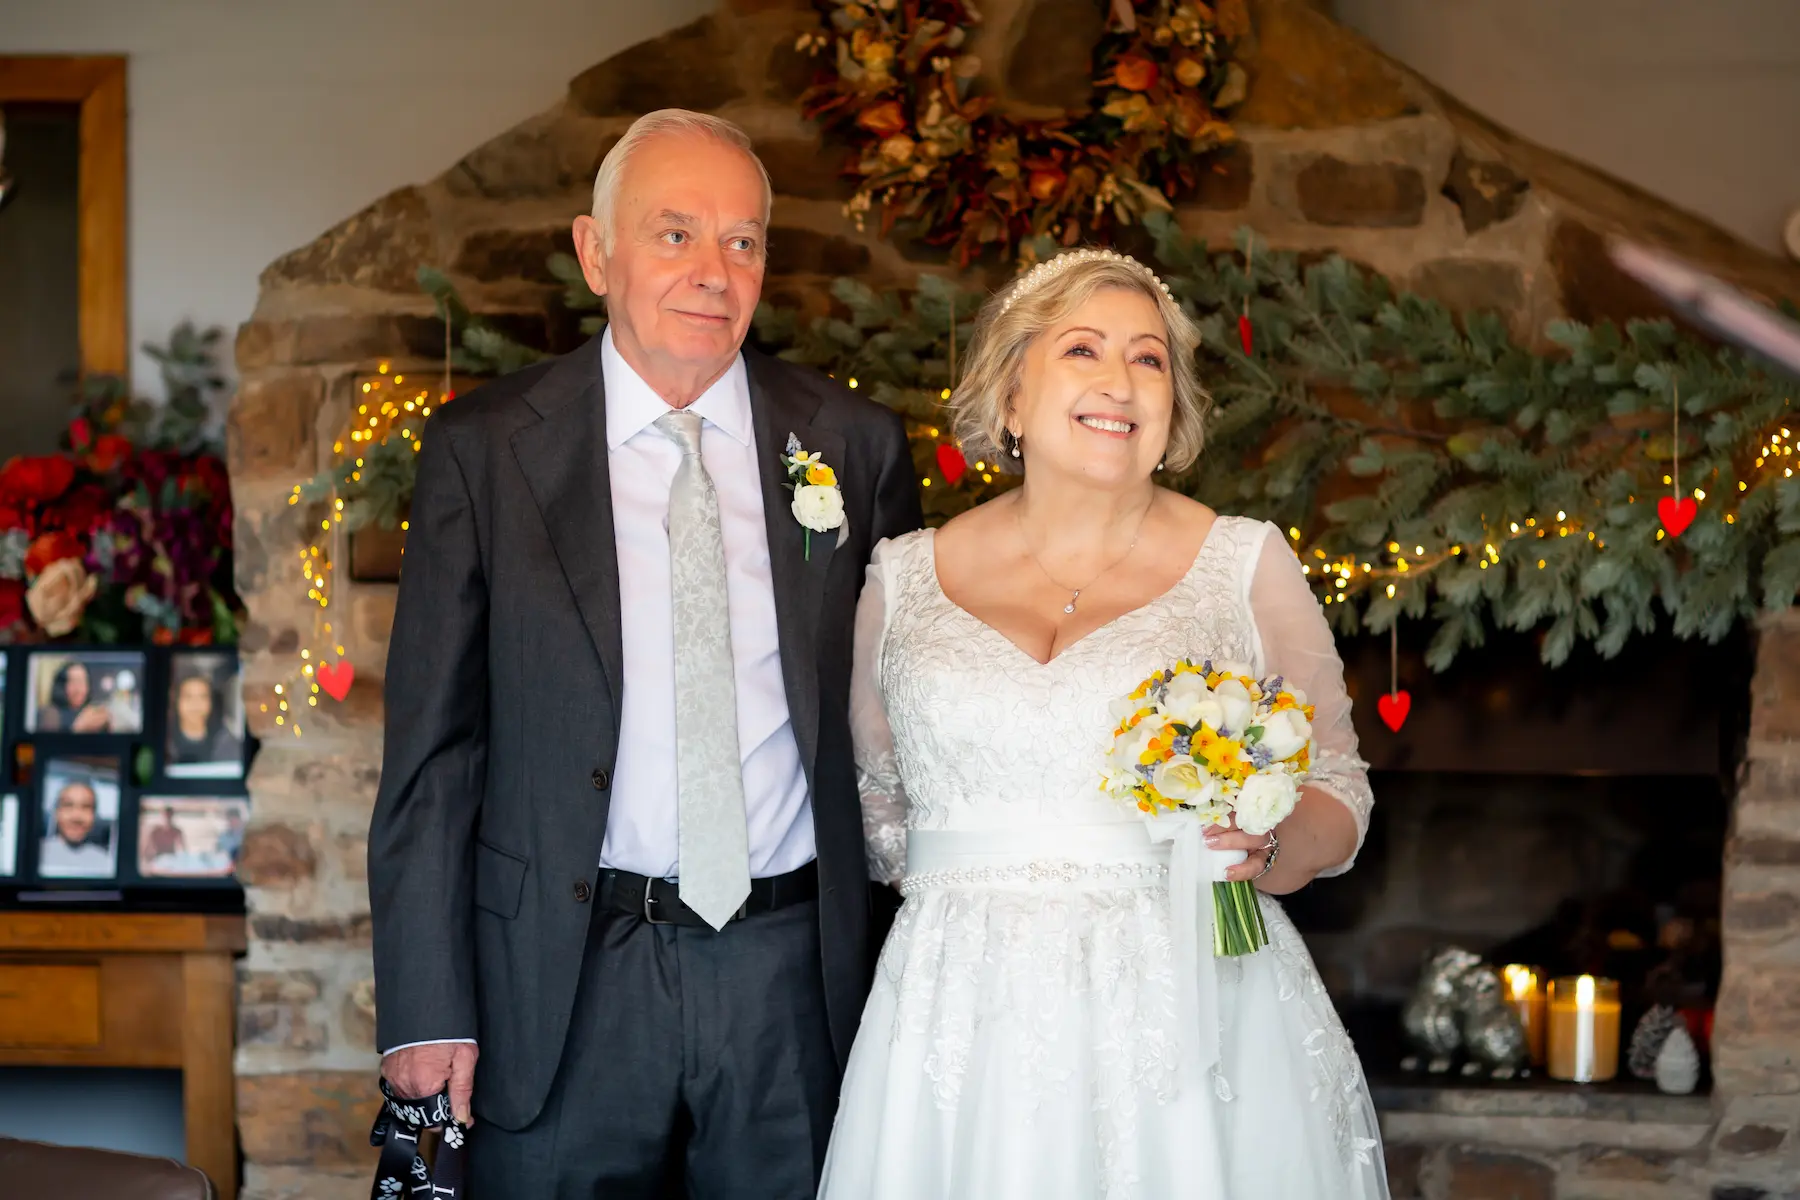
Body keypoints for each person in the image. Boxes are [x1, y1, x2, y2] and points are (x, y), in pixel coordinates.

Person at [368, 108, 922, 1196]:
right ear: (595, 252)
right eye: (675, 234)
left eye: (744, 241)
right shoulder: (485, 451)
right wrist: (426, 1008)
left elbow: (902, 718)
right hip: (562, 976)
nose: (714, 271)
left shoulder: (853, 446)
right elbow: (434, 752)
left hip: (790, 968)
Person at [818, 250, 1389, 1198]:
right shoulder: (900, 580)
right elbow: (875, 810)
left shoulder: (1245, 564)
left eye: (1149, 358)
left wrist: (1273, 838)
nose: (1119, 381)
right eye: (1082, 349)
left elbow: (1339, 781)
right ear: (1010, 393)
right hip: (960, 1014)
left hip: (1188, 1017)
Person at [39, 778, 113, 876]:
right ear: (57, 812)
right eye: (68, 805)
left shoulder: (106, 862)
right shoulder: (38, 853)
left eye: (86, 807)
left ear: (94, 815)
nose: (76, 817)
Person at [167, 671, 243, 767]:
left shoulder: (228, 744)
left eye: (202, 697)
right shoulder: (166, 743)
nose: (195, 704)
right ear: (177, 702)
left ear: (210, 703)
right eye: (188, 697)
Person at [36, 661, 111, 733]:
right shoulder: (51, 714)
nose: (78, 689)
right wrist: (79, 726)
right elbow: (49, 744)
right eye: (73, 681)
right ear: (62, 686)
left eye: (82, 682)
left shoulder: (91, 711)